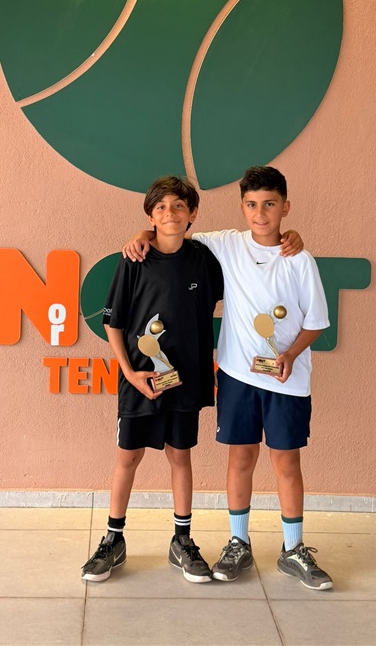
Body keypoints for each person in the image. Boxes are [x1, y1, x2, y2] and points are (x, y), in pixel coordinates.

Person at [122, 165, 334, 590]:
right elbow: (172, 232)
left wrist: (290, 354)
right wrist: (142, 235)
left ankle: (293, 549)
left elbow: (315, 322)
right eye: (252, 204)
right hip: (237, 376)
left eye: (270, 204)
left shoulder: (299, 259)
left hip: (286, 381)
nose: (260, 213)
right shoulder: (227, 244)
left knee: (286, 462)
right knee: (240, 459)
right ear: (242, 207)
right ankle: (239, 543)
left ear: (285, 207)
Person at [80, 175, 225, 584]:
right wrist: (129, 373)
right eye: (160, 207)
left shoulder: (205, 259)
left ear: (193, 213)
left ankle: (182, 541)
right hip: (141, 380)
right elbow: (112, 322)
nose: (170, 213)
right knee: (128, 457)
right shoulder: (134, 259)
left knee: (180, 455)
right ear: (150, 216)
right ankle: (113, 540)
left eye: (178, 206)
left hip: (186, 380)